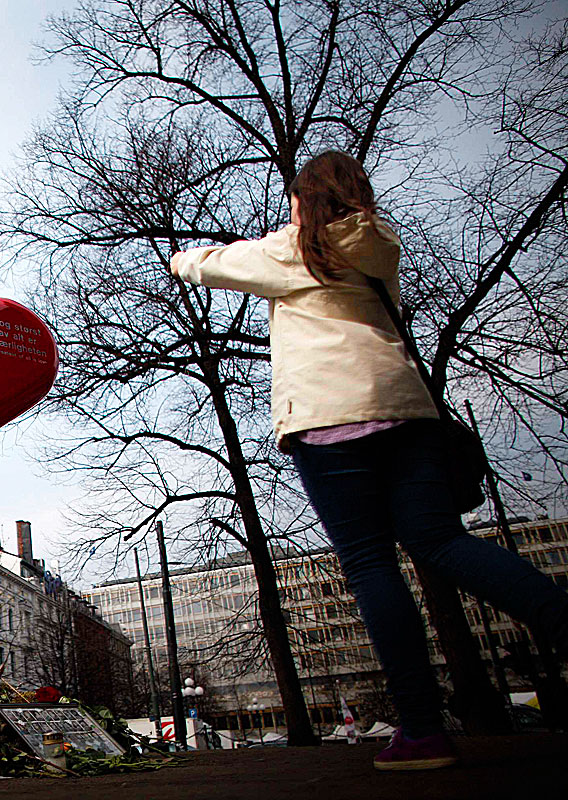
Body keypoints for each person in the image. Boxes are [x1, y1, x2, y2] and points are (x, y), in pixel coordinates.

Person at [169, 150, 568, 771]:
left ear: (307, 201)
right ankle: (559, 615)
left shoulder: (294, 249)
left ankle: (421, 729)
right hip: (408, 411)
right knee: (440, 541)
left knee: (369, 563)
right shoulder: (379, 242)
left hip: (332, 418)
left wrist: (181, 257)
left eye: (295, 200)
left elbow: (207, 265)